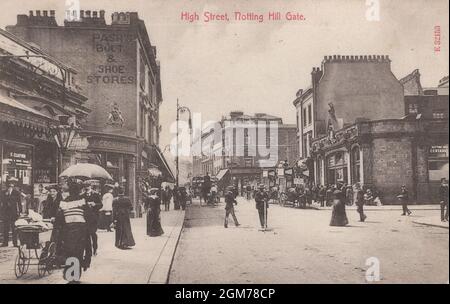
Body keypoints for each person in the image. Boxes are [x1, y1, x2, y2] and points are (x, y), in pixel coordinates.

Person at [56, 179, 92, 281]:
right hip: (81, 230)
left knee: (69, 251)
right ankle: (82, 266)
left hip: (68, 231)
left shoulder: (64, 202)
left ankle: (70, 273)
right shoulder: (82, 201)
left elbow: (59, 218)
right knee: (81, 251)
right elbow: (89, 216)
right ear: (79, 190)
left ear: (69, 191)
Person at [81, 182, 103, 256]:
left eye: (88, 186)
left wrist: (95, 204)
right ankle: (87, 250)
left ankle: (95, 248)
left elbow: (101, 205)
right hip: (85, 217)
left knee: (93, 233)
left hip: (94, 218)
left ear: (91, 186)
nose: (87, 188)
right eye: (85, 186)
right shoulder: (82, 195)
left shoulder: (96, 194)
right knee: (85, 234)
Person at [0, 177, 22, 247]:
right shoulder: (3, 192)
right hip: (5, 213)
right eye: (9, 183)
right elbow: (1, 202)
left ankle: (15, 243)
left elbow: (19, 203)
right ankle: (5, 243)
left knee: (14, 228)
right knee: (5, 228)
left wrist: (20, 212)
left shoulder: (16, 193)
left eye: (12, 183)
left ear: (14, 185)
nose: (10, 185)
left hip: (13, 213)